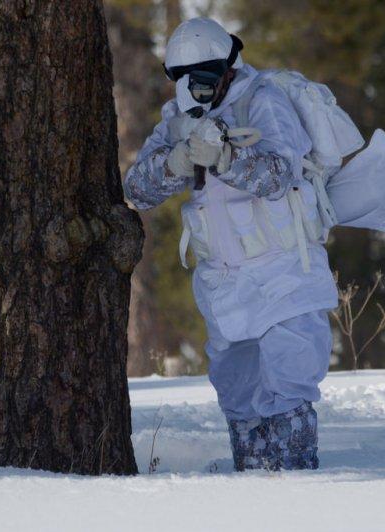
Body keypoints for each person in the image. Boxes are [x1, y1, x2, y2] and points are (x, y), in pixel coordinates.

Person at [123, 18, 337, 471]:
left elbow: (279, 175)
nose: (194, 89)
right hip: (224, 283)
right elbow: (137, 189)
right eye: (182, 80)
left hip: (285, 272)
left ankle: (298, 484)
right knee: (238, 392)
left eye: (202, 78)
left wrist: (225, 157)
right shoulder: (178, 118)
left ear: (226, 67)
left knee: (289, 383)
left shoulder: (264, 102)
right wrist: (176, 161)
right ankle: (251, 488)